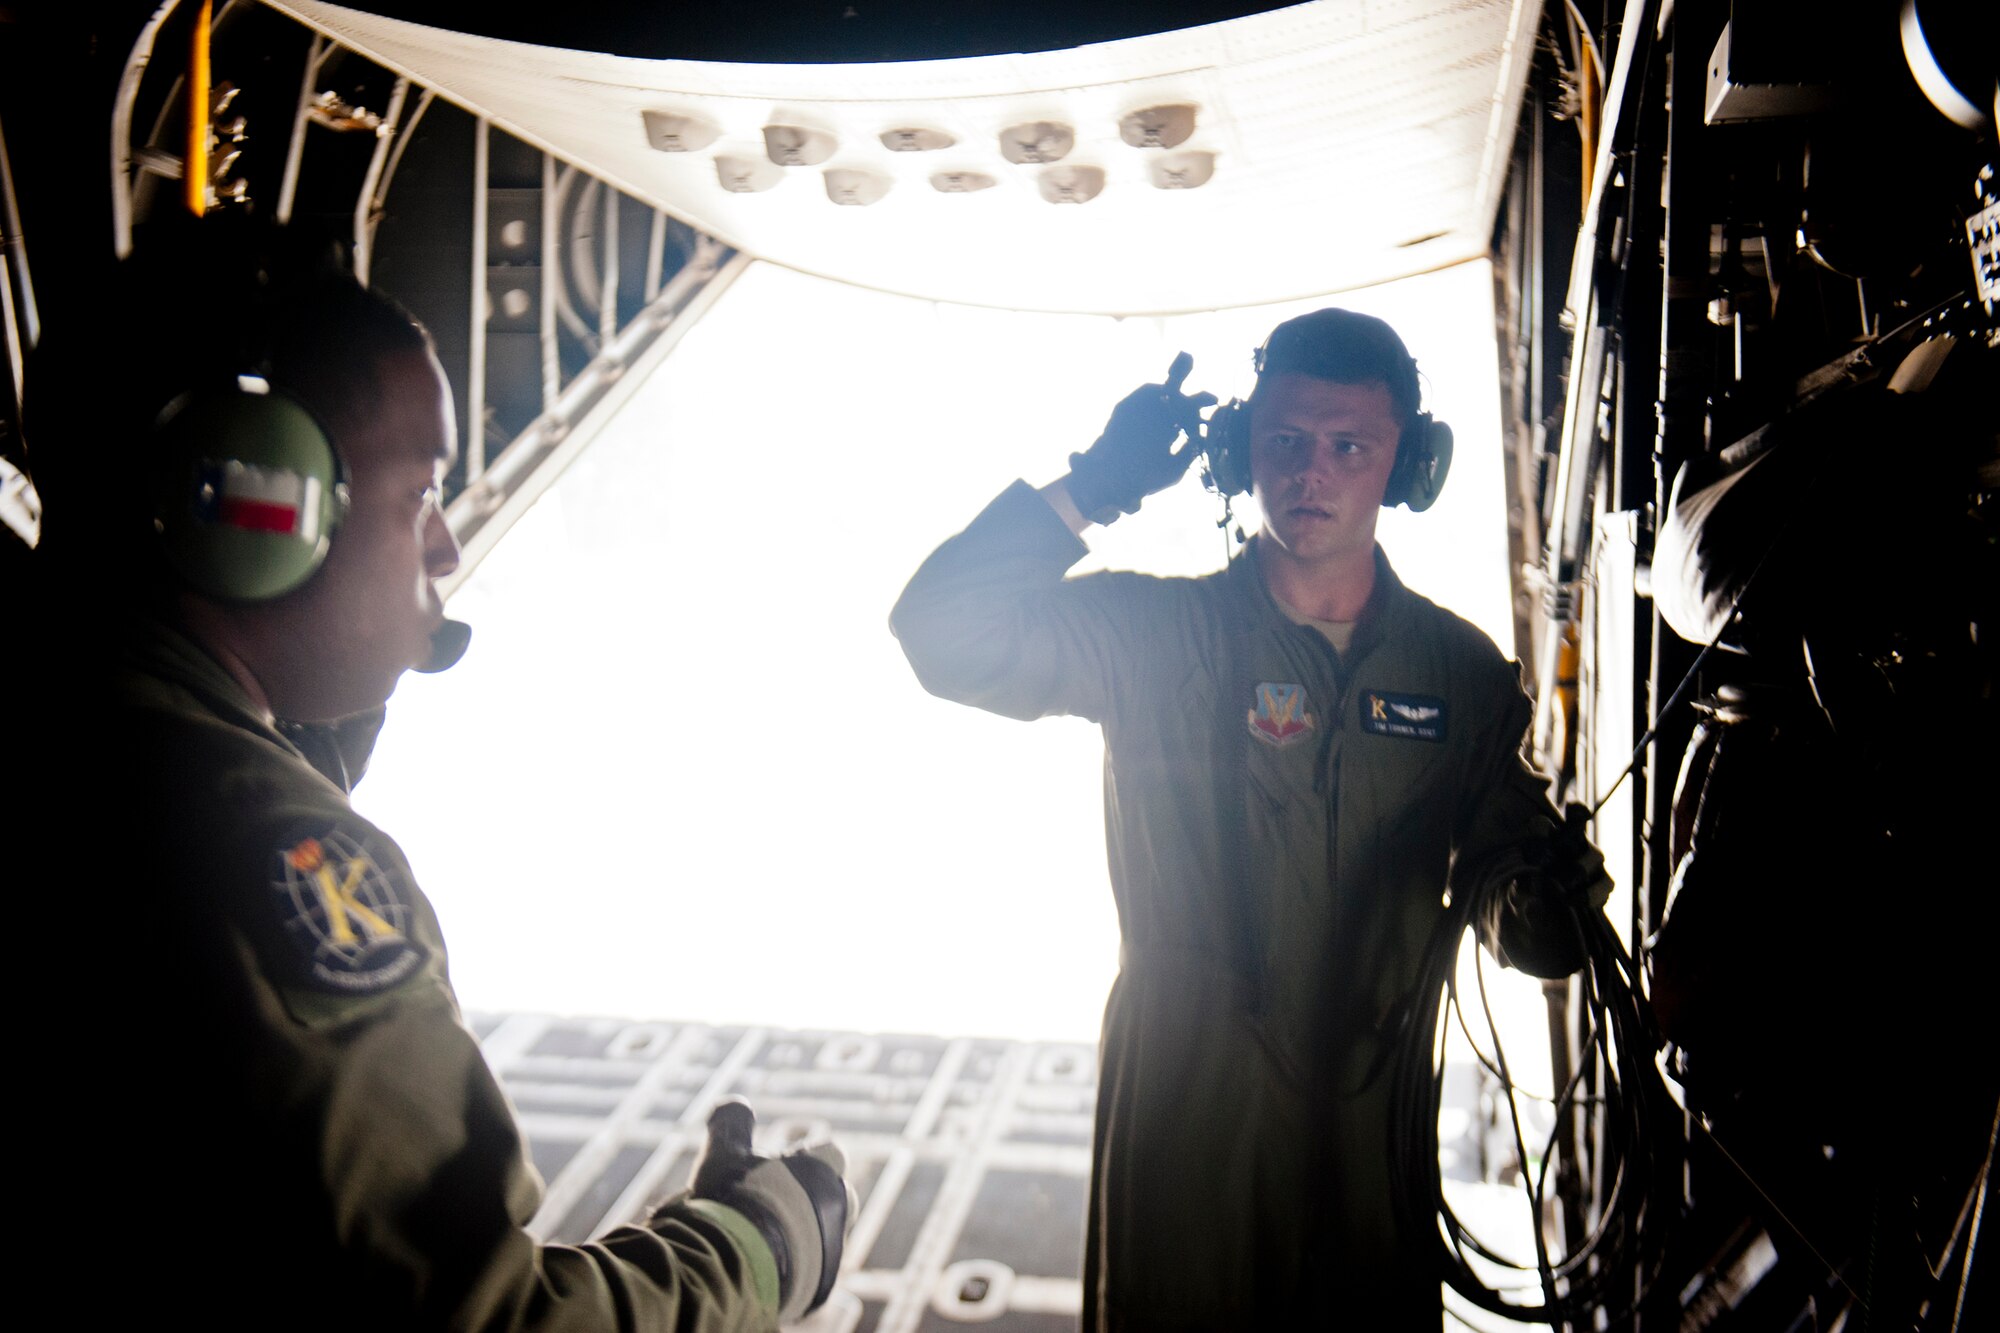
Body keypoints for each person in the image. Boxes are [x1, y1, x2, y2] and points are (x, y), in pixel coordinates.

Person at [11, 219, 848, 1331]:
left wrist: (333, 671)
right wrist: (754, 1248)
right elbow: (482, 1321)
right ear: (254, 507)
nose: (445, 549)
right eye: (419, 495)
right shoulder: (260, 851)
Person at [889, 309, 1606, 1329]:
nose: (1310, 473)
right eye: (1284, 442)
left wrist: (1537, 911)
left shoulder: (1461, 676)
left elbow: (1506, 877)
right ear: (1239, 454)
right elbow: (939, 631)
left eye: (1347, 446)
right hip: (1184, 1118)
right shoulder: (1152, 635)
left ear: (1406, 465)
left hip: (1370, 1130)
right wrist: (1096, 482)